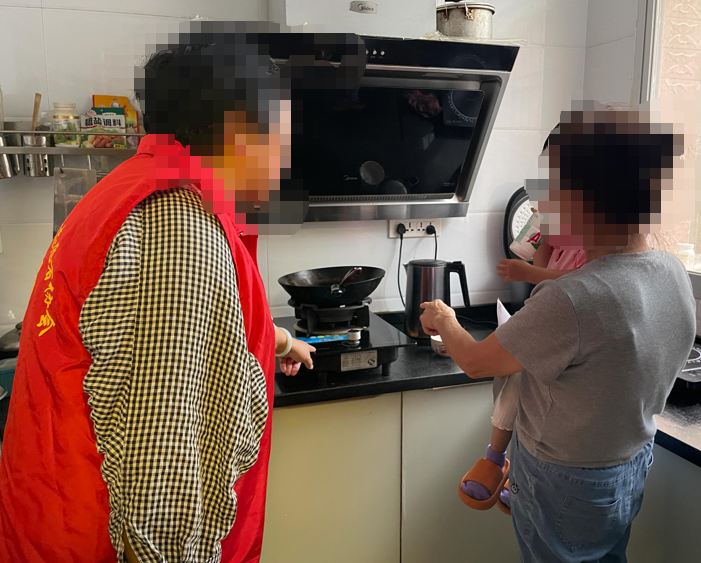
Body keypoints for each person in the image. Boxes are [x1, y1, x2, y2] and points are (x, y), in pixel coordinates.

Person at [0, 26, 366, 563]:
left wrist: (282, 343)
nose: (285, 160)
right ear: (240, 131)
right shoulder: (180, 229)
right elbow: (164, 468)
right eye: (282, 138)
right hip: (105, 541)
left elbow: (172, 334)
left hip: (58, 512)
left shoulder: (132, 186)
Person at [420, 106, 696, 562]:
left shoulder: (574, 297)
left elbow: (475, 361)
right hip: (629, 464)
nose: (538, 199)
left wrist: (444, 317)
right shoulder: (671, 272)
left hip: (565, 477)